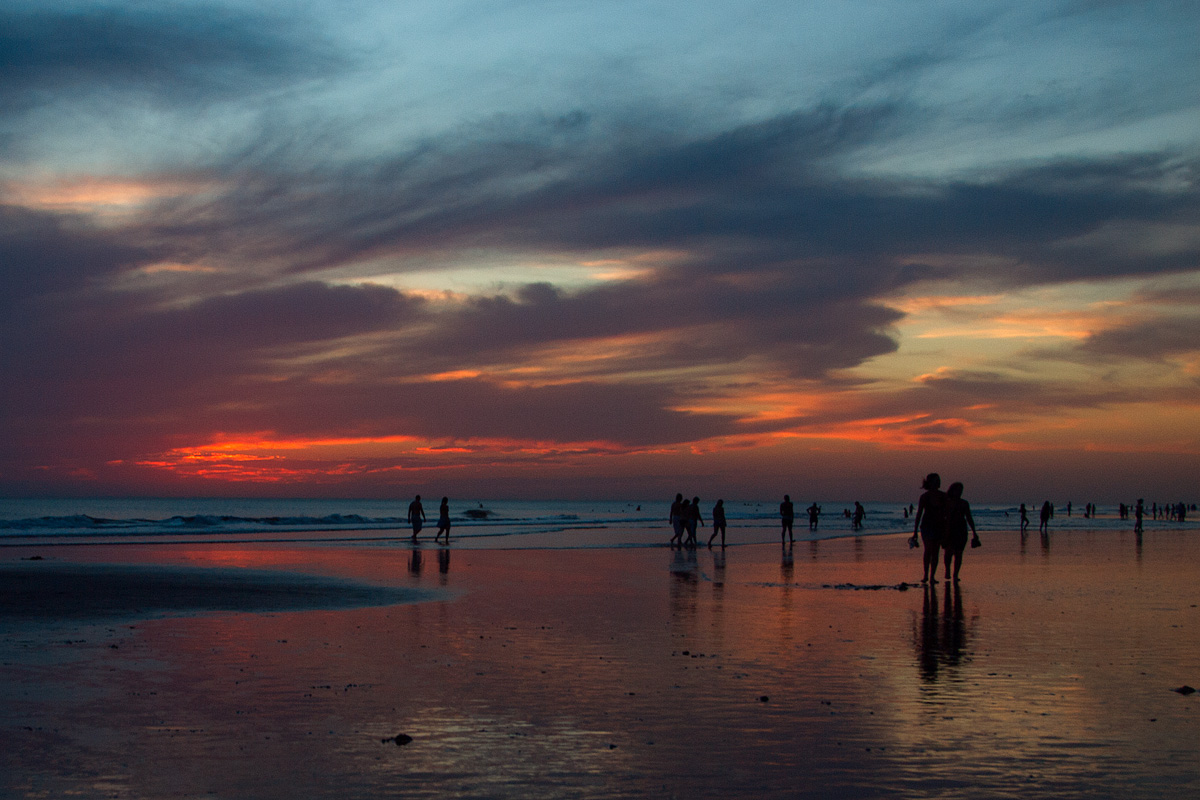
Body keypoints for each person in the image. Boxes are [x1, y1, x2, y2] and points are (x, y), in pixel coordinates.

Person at [911, 473, 946, 583]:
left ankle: (932, 576)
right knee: (928, 550)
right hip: (927, 526)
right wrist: (915, 531)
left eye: (939, 480)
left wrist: (947, 528)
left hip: (939, 526)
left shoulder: (943, 496)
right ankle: (926, 575)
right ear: (930, 482)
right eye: (936, 480)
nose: (938, 482)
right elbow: (919, 514)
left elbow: (947, 513)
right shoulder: (924, 497)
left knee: (935, 552)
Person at [942, 482, 979, 582]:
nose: (959, 492)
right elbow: (942, 517)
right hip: (949, 529)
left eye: (960, 490)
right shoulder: (947, 502)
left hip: (961, 530)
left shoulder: (964, 503)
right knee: (948, 552)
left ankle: (955, 574)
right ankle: (947, 570)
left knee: (958, 553)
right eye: (957, 490)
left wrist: (974, 532)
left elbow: (969, 518)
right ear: (952, 490)